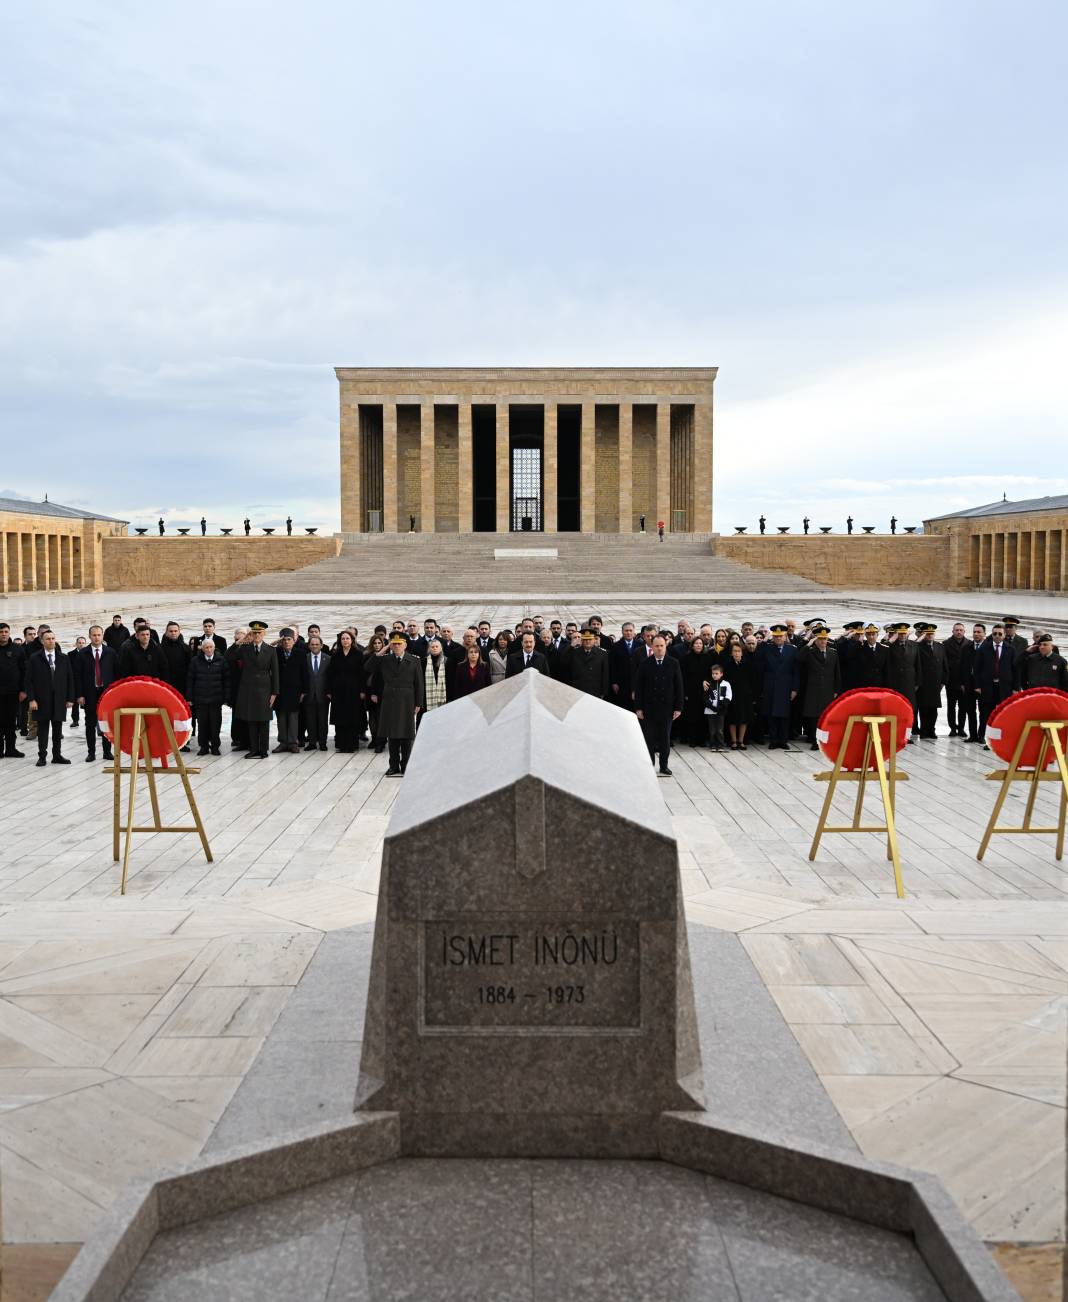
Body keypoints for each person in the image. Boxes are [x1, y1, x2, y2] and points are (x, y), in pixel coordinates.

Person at [370, 632, 424, 775]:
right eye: (394, 644)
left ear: (405, 645)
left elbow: (419, 683)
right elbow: (368, 667)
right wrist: (384, 648)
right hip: (389, 700)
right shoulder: (385, 660)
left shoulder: (414, 660)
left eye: (399, 643)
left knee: (407, 735)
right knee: (392, 735)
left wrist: (418, 702)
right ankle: (393, 766)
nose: (397, 646)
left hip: (407, 700)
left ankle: (406, 765)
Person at [634, 633, 683, 775]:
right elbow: (639, 688)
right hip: (649, 708)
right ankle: (650, 765)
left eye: (662, 646)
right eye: (656, 646)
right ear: (652, 647)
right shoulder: (645, 663)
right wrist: (638, 708)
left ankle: (664, 765)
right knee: (649, 739)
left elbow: (679, 686)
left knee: (665, 740)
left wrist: (678, 708)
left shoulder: (674, 663)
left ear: (666, 646)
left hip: (667, 708)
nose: (659, 648)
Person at [23, 630, 74, 766]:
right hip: (41, 700)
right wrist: (32, 699)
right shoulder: (35, 658)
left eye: (52, 638)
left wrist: (70, 698)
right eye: (47, 639)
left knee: (57, 730)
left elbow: (70, 679)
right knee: (43, 730)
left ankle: (57, 755)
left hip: (59, 700)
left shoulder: (63, 658)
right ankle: (42, 756)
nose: (51, 641)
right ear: (42, 641)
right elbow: (29, 681)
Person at [75, 625, 119, 761]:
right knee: (90, 723)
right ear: (89, 636)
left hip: (106, 693)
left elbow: (117, 673)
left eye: (99, 635)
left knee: (106, 723)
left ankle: (107, 751)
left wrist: (116, 693)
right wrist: (80, 695)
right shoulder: (82, 654)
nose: (96, 637)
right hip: (89, 693)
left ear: (103, 635)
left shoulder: (110, 652)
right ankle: (91, 752)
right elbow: (77, 675)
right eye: (94, 635)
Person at [235, 621, 278, 758]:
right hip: (249, 690)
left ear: (264, 634)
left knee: (264, 721)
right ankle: (253, 749)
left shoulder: (271, 650)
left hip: (265, 690)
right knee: (251, 721)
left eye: (259, 633)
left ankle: (263, 750)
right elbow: (229, 656)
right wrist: (240, 641)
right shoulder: (245, 648)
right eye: (254, 633)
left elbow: (276, 673)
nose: (257, 635)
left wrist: (274, 693)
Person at [756, 624, 800, 750]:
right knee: (772, 715)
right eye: (776, 637)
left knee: (785, 715)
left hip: (786, 687)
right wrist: (764, 641)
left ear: (785, 636)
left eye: (780, 636)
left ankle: (783, 740)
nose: (778, 639)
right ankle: (774, 740)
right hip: (771, 686)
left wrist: (795, 689)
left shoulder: (792, 649)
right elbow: (758, 657)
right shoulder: (767, 648)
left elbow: (796, 671)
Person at [972, 624, 1016, 745]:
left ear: (1004, 635)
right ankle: (982, 736)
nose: (997, 636)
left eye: (1000, 634)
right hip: (987, 687)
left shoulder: (1010, 649)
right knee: (985, 713)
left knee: (1003, 714)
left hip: (1004, 688)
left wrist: (1015, 688)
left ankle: (1003, 736)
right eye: (995, 633)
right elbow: (977, 669)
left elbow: (1015, 669)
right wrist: (977, 686)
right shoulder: (983, 649)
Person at [799, 627, 840, 749]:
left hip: (828, 689)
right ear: (816, 640)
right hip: (813, 689)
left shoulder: (833, 653)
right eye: (820, 639)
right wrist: (808, 644)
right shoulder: (810, 652)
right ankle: (815, 740)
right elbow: (799, 658)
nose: (823, 641)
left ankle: (824, 740)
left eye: (825, 639)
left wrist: (836, 689)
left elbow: (837, 672)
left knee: (826, 716)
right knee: (814, 716)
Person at [186, 638, 229, 756]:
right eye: (206, 647)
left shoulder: (221, 660)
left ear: (214, 648)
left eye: (211, 647)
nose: (209, 649)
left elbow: (226, 680)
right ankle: (203, 746)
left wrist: (226, 697)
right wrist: (189, 697)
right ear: (202, 649)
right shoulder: (195, 661)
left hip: (216, 698)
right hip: (200, 699)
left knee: (215, 724)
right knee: (202, 723)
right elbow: (190, 679)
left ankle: (215, 746)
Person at [885, 622, 923, 742]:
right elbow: (882, 651)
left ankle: (907, 735)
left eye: (904, 633)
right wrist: (891, 640)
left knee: (908, 710)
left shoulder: (914, 645)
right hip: (894, 683)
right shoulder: (890, 646)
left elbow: (918, 665)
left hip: (909, 683)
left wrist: (917, 682)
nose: (902, 636)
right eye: (900, 633)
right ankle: (894, 734)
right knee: (894, 710)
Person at [326, 630, 363, 752]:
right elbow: (330, 674)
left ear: (352, 640)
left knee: (352, 717)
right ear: (340, 641)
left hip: (354, 690)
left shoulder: (358, 654)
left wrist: (362, 691)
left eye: (347, 638)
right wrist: (329, 690)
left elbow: (361, 673)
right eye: (343, 639)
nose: (345, 641)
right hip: (338, 690)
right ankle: (341, 745)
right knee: (340, 717)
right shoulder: (336, 654)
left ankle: (352, 745)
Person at [273, 628, 307, 753]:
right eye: (284, 640)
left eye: (289, 639)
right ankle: (283, 742)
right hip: (279, 691)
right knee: (281, 717)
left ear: (294, 640)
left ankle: (293, 742)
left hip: (295, 691)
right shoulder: (275, 652)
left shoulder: (300, 653)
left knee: (293, 717)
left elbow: (305, 673)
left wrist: (304, 691)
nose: (286, 642)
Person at [915, 623, 947, 739]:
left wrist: (943, 681)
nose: (930, 636)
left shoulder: (940, 646)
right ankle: (923, 731)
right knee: (923, 709)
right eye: (927, 634)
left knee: (933, 709)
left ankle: (931, 730)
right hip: (923, 684)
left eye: (931, 634)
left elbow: (945, 665)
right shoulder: (918, 646)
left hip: (936, 684)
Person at [724, 641, 755, 750]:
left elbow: (753, 680)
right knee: (732, 719)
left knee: (744, 718)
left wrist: (752, 694)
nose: (736, 653)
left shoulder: (748, 664)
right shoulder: (727, 665)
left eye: (738, 651)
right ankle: (733, 741)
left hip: (745, 695)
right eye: (734, 651)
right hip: (731, 695)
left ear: (742, 653)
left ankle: (741, 741)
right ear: (731, 653)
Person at [302, 634, 331, 750]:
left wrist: (329, 692)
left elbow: (330, 677)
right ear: (309, 646)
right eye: (312, 644)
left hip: (323, 695)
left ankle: (323, 743)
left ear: (321, 645)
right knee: (310, 720)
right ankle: (312, 743)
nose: (314, 646)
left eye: (317, 644)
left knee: (323, 720)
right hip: (309, 695)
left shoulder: (328, 659)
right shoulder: (305, 658)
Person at [0, 623, 25, 758]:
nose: (3, 634)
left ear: (9, 633)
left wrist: (23, 690)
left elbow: (24, 670)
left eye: (6, 631)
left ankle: (11, 749)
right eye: (1, 632)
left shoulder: (17, 649)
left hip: (13, 692)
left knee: (11, 722)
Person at [680, 635, 710, 745]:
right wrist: (685, 693)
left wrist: (705, 680)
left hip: (704, 691)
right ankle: (692, 739)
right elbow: (683, 677)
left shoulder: (707, 658)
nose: (698, 645)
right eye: (696, 643)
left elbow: (710, 674)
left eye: (700, 643)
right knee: (692, 716)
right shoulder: (686, 658)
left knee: (703, 716)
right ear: (692, 645)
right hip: (691, 691)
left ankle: (701, 740)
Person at [941, 622, 969, 737]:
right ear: (953, 631)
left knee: (963, 707)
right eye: (956, 630)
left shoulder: (969, 644)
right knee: (951, 706)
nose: (958, 632)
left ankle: (961, 728)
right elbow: (944, 663)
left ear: (964, 631)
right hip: (951, 680)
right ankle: (952, 728)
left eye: (961, 630)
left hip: (964, 681)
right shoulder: (946, 644)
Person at [960, 623, 986, 742]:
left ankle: (981, 735)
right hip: (969, 684)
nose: (976, 634)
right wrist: (963, 683)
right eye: (974, 632)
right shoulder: (967, 647)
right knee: (970, 710)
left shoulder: (988, 647)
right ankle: (973, 735)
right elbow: (962, 666)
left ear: (984, 634)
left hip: (982, 684)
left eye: (979, 632)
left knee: (983, 711)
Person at [567, 627, 610, 698]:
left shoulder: (602, 654)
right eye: (585, 639)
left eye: (590, 639)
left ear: (594, 640)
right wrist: (571, 647)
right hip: (578, 689)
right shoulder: (574, 653)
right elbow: (565, 664)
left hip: (595, 690)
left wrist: (604, 692)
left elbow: (605, 674)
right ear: (582, 640)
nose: (587, 641)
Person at [703, 663, 732, 752]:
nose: (714, 675)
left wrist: (722, 706)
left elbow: (729, 696)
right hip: (710, 711)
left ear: (721, 674)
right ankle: (712, 745)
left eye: (716, 673)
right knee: (712, 729)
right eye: (713, 674)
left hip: (721, 711)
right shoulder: (708, 684)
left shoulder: (726, 684)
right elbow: (705, 697)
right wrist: (711, 707)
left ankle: (720, 745)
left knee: (719, 729)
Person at [422, 637, 449, 714]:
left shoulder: (447, 661)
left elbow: (450, 680)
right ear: (429, 649)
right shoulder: (423, 662)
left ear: (441, 648)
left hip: (443, 696)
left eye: (437, 646)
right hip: (427, 697)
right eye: (432, 647)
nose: (435, 648)